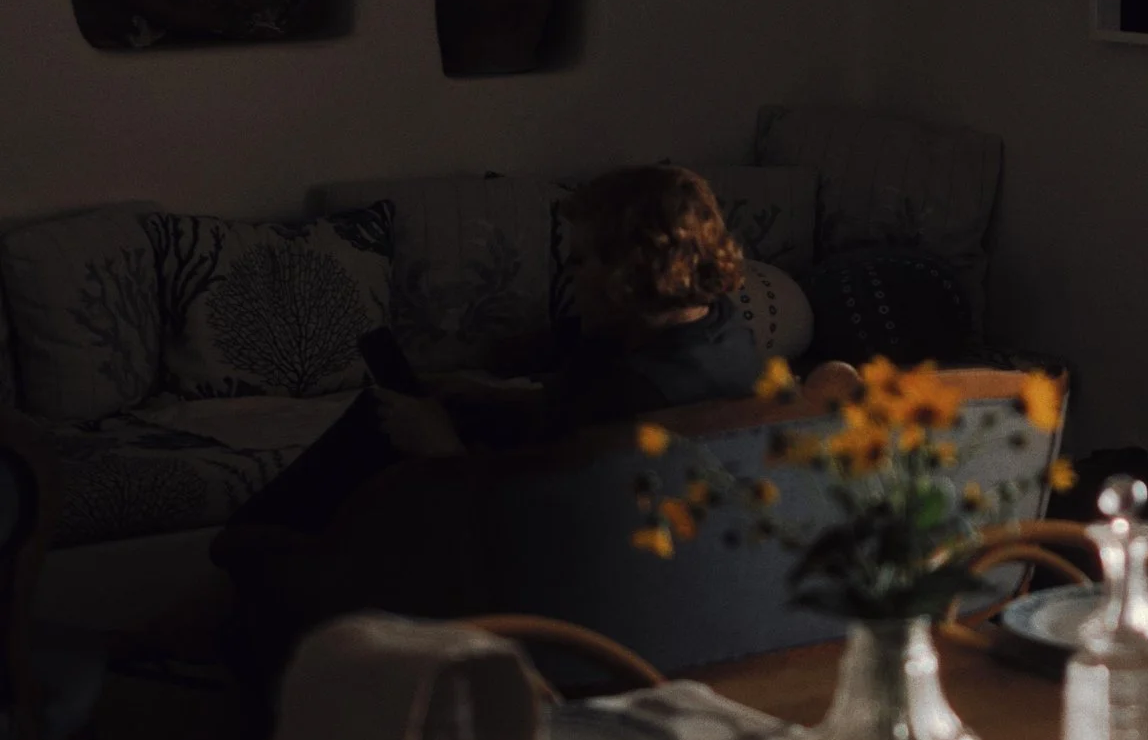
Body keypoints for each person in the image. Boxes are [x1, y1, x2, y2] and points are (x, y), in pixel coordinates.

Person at [222, 165, 775, 549]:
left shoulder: (634, 394)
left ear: (632, 268)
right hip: (555, 474)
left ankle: (257, 551)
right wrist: (496, 398)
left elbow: (528, 527)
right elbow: (568, 430)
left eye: (581, 261)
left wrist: (441, 447)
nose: (571, 276)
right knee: (401, 409)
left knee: (385, 431)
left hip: (522, 540)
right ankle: (267, 549)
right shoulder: (719, 331)